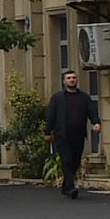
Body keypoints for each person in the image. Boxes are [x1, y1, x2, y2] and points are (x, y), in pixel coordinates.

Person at [45, 70, 99, 199]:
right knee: (67, 160)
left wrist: (96, 122)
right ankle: (71, 188)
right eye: (69, 78)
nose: (71, 80)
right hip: (62, 135)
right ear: (64, 81)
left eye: (74, 78)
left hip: (78, 135)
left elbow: (92, 111)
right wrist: (47, 132)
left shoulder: (84, 97)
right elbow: (51, 115)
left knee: (75, 161)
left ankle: (66, 186)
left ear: (77, 80)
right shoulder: (58, 98)